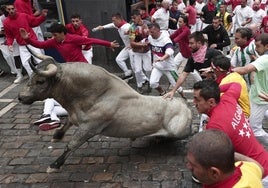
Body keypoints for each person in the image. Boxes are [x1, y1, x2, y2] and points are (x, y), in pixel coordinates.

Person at [192, 79, 268, 186]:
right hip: (263, 159)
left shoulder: (214, 126)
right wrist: (217, 91)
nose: (194, 103)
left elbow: (217, 157)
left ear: (211, 102)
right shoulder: (228, 98)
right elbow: (235, 84)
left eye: (197, 99)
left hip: (257, 174)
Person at [187, 129, 264, 188]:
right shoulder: (247, 169)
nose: (188, 167)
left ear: (214, 173)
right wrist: (225, 153)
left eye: (193, 166)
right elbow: (258, 167)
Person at [232, 33, 268, 146]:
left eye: (258, 46)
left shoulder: (264, 59)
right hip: (257, 94)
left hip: (260, 98)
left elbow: (244, 70)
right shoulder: (263, 58)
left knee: (254, 128)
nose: (256, 49)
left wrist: (227, 71)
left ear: (267, 46)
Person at [19, 23, 119, 63]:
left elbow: (92, 40)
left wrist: (109, 44)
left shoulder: (74, 38)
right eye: (52, 35)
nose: (53, 37)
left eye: (55, 35)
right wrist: (28, 39)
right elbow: (40, 45)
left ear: (62, 33)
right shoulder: (54, 42)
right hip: (70, 67)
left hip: (82, 65)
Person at [164, 31, 222, 99]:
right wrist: (173, 91)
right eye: (189, 43)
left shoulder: (213, 53)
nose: (189, 45)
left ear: (199, 43)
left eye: (191, 43)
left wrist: (212, 71)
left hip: (220, 85)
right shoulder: (192, 57)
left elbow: (226, 67)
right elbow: (183, 75)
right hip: (209, 86)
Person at [3, 3, 46, 77]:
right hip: (22, 45)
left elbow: (34, 22)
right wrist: (10, 44)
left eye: (12, 8)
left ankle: (46, 75)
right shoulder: (6, 22)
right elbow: (9, 35)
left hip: (32, 41)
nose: (11, 11)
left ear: (15, 8)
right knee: (25, 63)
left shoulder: (23, 16)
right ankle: (33, 77)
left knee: (39, 60)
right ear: (6, 10)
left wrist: (42, 16)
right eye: (9, 9)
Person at [93, 13, 134, 81]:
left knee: (135, 68)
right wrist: (102, 27)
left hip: (133, 48)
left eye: (114, 21)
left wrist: (132, 43)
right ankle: (128, 74)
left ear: (119, 20)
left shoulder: (126, 27)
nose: (113, 22)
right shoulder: (118, 25)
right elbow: (111, 25)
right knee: (119, 59)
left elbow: (134, 34)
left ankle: (144, 80)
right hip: (127, 47)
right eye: (112, 21)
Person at [147, 23, 183, 96]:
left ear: (158, 30)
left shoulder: (166, 39)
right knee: (153, 83)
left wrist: (162, 58)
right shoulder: (150, 38)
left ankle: (183, 97)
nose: (150, 34)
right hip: (158, 66)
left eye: (152, 32)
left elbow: (170, 51)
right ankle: (163, 93)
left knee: (177, 86)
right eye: (149, 32)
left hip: (169, 67)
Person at [129, 9, 152, 94]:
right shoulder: (132, 27)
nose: (133, 20)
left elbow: (152, 36)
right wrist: (141, 44)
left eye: (134, 18)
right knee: (137, 70)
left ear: (139, 16)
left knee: (148, 69)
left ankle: (149, 82)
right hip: (136, 52)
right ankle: (140, 86)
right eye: (132, 18)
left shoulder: (148, 24)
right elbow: (131, 43)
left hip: (146, 52)